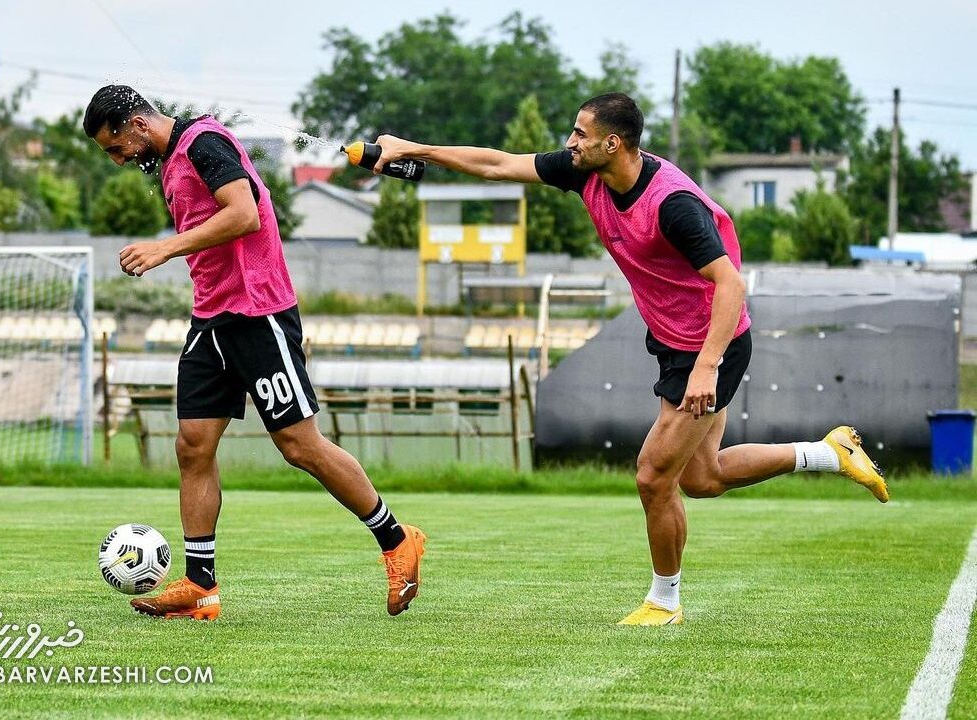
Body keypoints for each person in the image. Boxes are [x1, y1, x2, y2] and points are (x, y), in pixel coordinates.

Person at [372, 92, 888, 626]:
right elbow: (496, 164)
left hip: (712, 345)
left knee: (652, 478)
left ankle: (664, 602)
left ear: (611, 144)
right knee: (703, 478)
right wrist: (414, 148)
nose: (570, 143)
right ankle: (829, 454)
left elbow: (731, 283)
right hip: (674, 341)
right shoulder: (585, 173)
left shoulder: (672, 205)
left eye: (580, 133)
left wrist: (706, 367)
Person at [83, 85, 426, 621]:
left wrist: (163, 247)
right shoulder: (173, 159)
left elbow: (244, 214)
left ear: (136, 124)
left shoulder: (203, 143)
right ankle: (201, 585)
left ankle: (397, 539)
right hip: (211, 318)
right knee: (192, 445)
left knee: (298, 445)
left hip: (257, 313)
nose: (119, 159)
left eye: (115, 147)